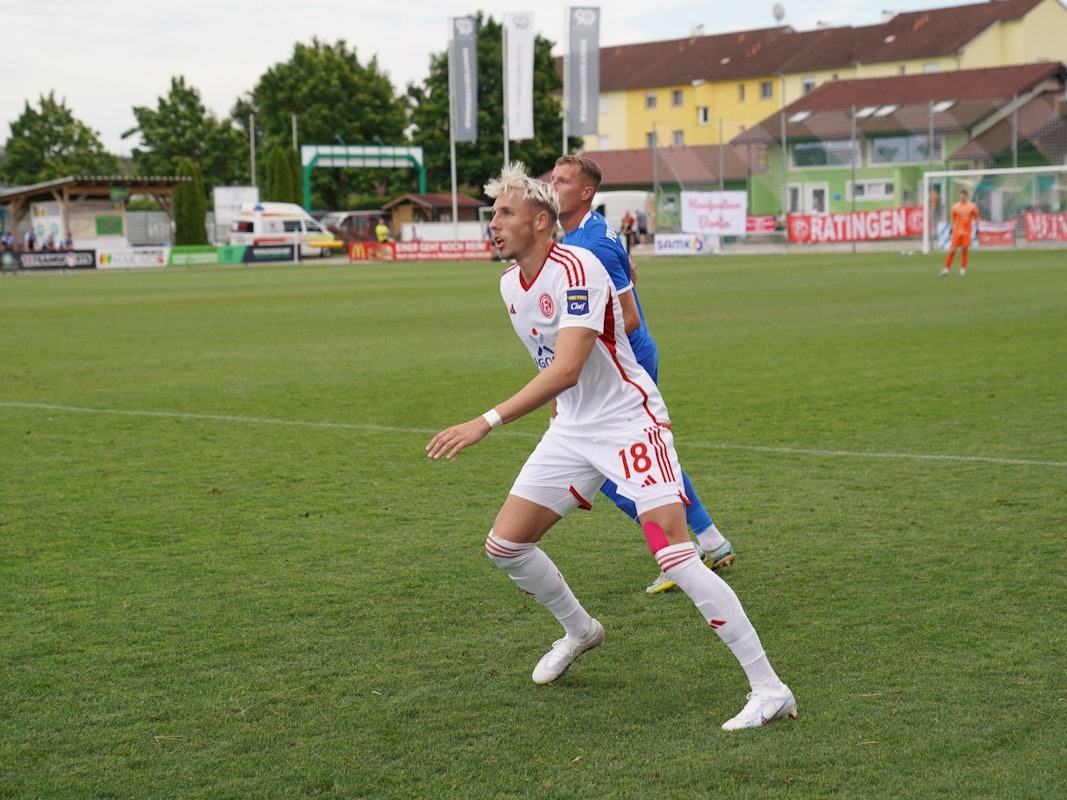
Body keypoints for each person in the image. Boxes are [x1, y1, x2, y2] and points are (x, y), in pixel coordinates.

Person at [426, 162, 796, 731]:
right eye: (493, 212)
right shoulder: (508, 285)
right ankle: (581, 630)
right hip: (573, 430)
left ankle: (770, 690)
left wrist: (487, 421)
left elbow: (570, 366)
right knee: (505, 546)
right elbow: (555, 365)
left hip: (628, 423)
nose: (492, 223)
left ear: (541, 221)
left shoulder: (581, 268)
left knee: (673, 552)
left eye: (505, 212)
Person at [551, 154, 734, 595]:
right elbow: (629, 275)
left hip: (621, 369)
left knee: (610, 472)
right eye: (551, 179)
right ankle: (711, 541)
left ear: (586, 192)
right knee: (648, 462)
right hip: (620, 364)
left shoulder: (591, 243)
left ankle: (678, 554)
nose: (552, 186)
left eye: (561, 181)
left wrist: (571, 364)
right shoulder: (590, 233)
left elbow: (627, 317)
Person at [941, 189, 979, 277]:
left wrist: (977, 229)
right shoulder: (955, 206)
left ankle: (962, 269)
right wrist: (951, 230)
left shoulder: (972, 206)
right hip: (957, 232)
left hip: (966, 232)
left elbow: (977, 217)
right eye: (961, 196)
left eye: (964, 196)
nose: (962, 197)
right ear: (959, 196)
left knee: (964, 250)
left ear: (967, 197)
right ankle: (946, 270)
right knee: (952, 250)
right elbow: (952, 219)